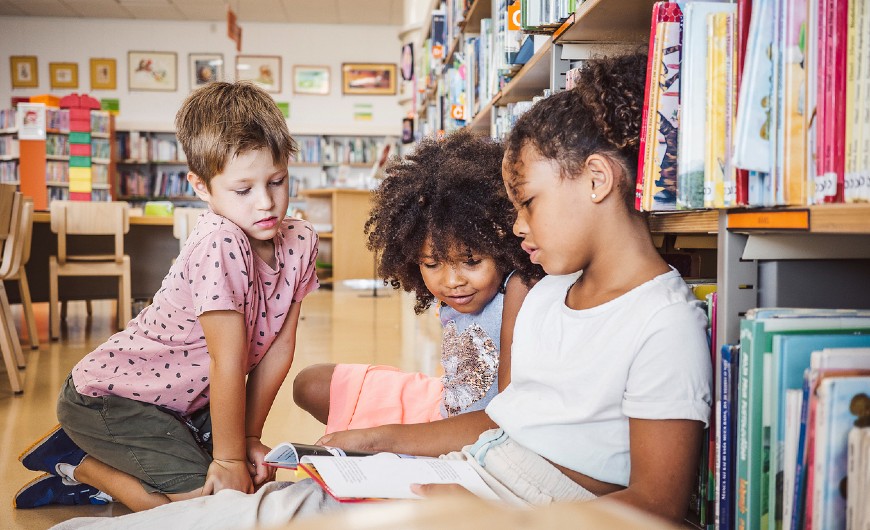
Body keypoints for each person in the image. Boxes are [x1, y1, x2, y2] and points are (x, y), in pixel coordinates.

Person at [46, 52, 711, 529]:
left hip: (514, 504)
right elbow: (499, 421)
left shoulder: (661, 320)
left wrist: (496, 517)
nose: (516, 224)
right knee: (255, 508)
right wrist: (369, 440)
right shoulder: (538, 295)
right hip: (472, 468)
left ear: (597, 180)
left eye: (529, 203)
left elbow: (657, 510)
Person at [15, 81, 319, 513]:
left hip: (184, 403)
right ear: (201, 187)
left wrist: (248, 439)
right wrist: (229, 458)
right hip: (110, 398)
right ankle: (72, 461)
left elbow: (279, 349)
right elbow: (227, 361)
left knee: (239, 488)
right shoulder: (220, 241)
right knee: (205, 502)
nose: (266, 203)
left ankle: (100, 471)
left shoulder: (302, 240)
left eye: (277, 181)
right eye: (243, 189)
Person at [293, 128, 544, 455]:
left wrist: (382, 437)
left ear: (500, 243)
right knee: (310, 383)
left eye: (471, 261)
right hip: (443, 407)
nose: (452, 281)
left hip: (483, 435)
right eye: (431, 263)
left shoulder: (518, 289)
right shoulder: (454, 294)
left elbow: (508, 419)